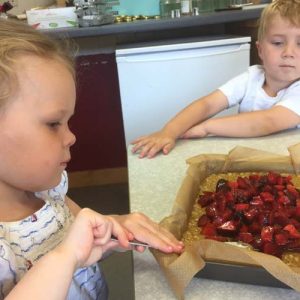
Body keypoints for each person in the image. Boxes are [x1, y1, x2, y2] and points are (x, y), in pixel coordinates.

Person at [0, 18, 184, 299]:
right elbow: (71, 251)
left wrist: (116, 226)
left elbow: (81, 237)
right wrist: (66, 256)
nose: (71, 137)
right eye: (53, 124)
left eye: (67, 122)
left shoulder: (48, 189)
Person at [131, 0, 300, 159]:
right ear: (260, 50)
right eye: (278, 43)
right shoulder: (252, 77)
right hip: (246, 162)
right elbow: (208, 104)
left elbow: (268, 121)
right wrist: (168, 132)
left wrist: (207, 127)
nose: (288, 52)